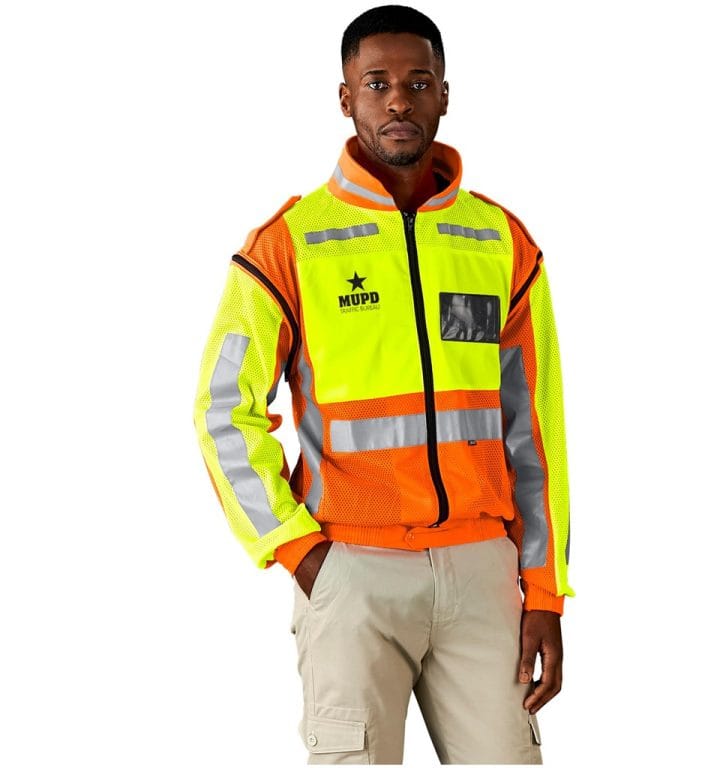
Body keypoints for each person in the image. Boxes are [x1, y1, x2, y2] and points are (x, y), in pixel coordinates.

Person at [192, 5, 574, 764]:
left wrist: (544, 591)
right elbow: (222, 411)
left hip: (483, 572)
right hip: (351, 569)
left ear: (444, 95)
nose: (398, 99)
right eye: (376, 83)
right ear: (346, 98)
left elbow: (535, 432)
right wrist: (298, 551)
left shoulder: (500, 242)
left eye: (418, 82)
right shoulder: (288, 246)